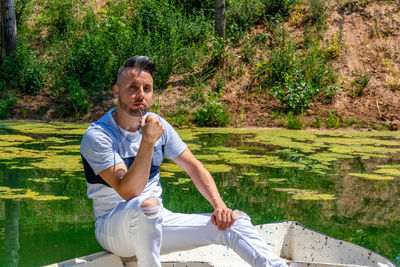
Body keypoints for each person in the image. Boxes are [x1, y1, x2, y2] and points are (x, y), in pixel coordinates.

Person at [80, 55, 287, 267]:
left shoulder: (159, 125)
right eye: (132, 87)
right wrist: (148, 141)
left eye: (147, 89)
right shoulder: (99, 136)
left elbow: (194, 167)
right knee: (144, 205)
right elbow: (129, 192)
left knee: (235, 222)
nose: (140, 95)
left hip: (157, 219)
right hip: (113, 228)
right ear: (116, 92)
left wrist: (219, 206)